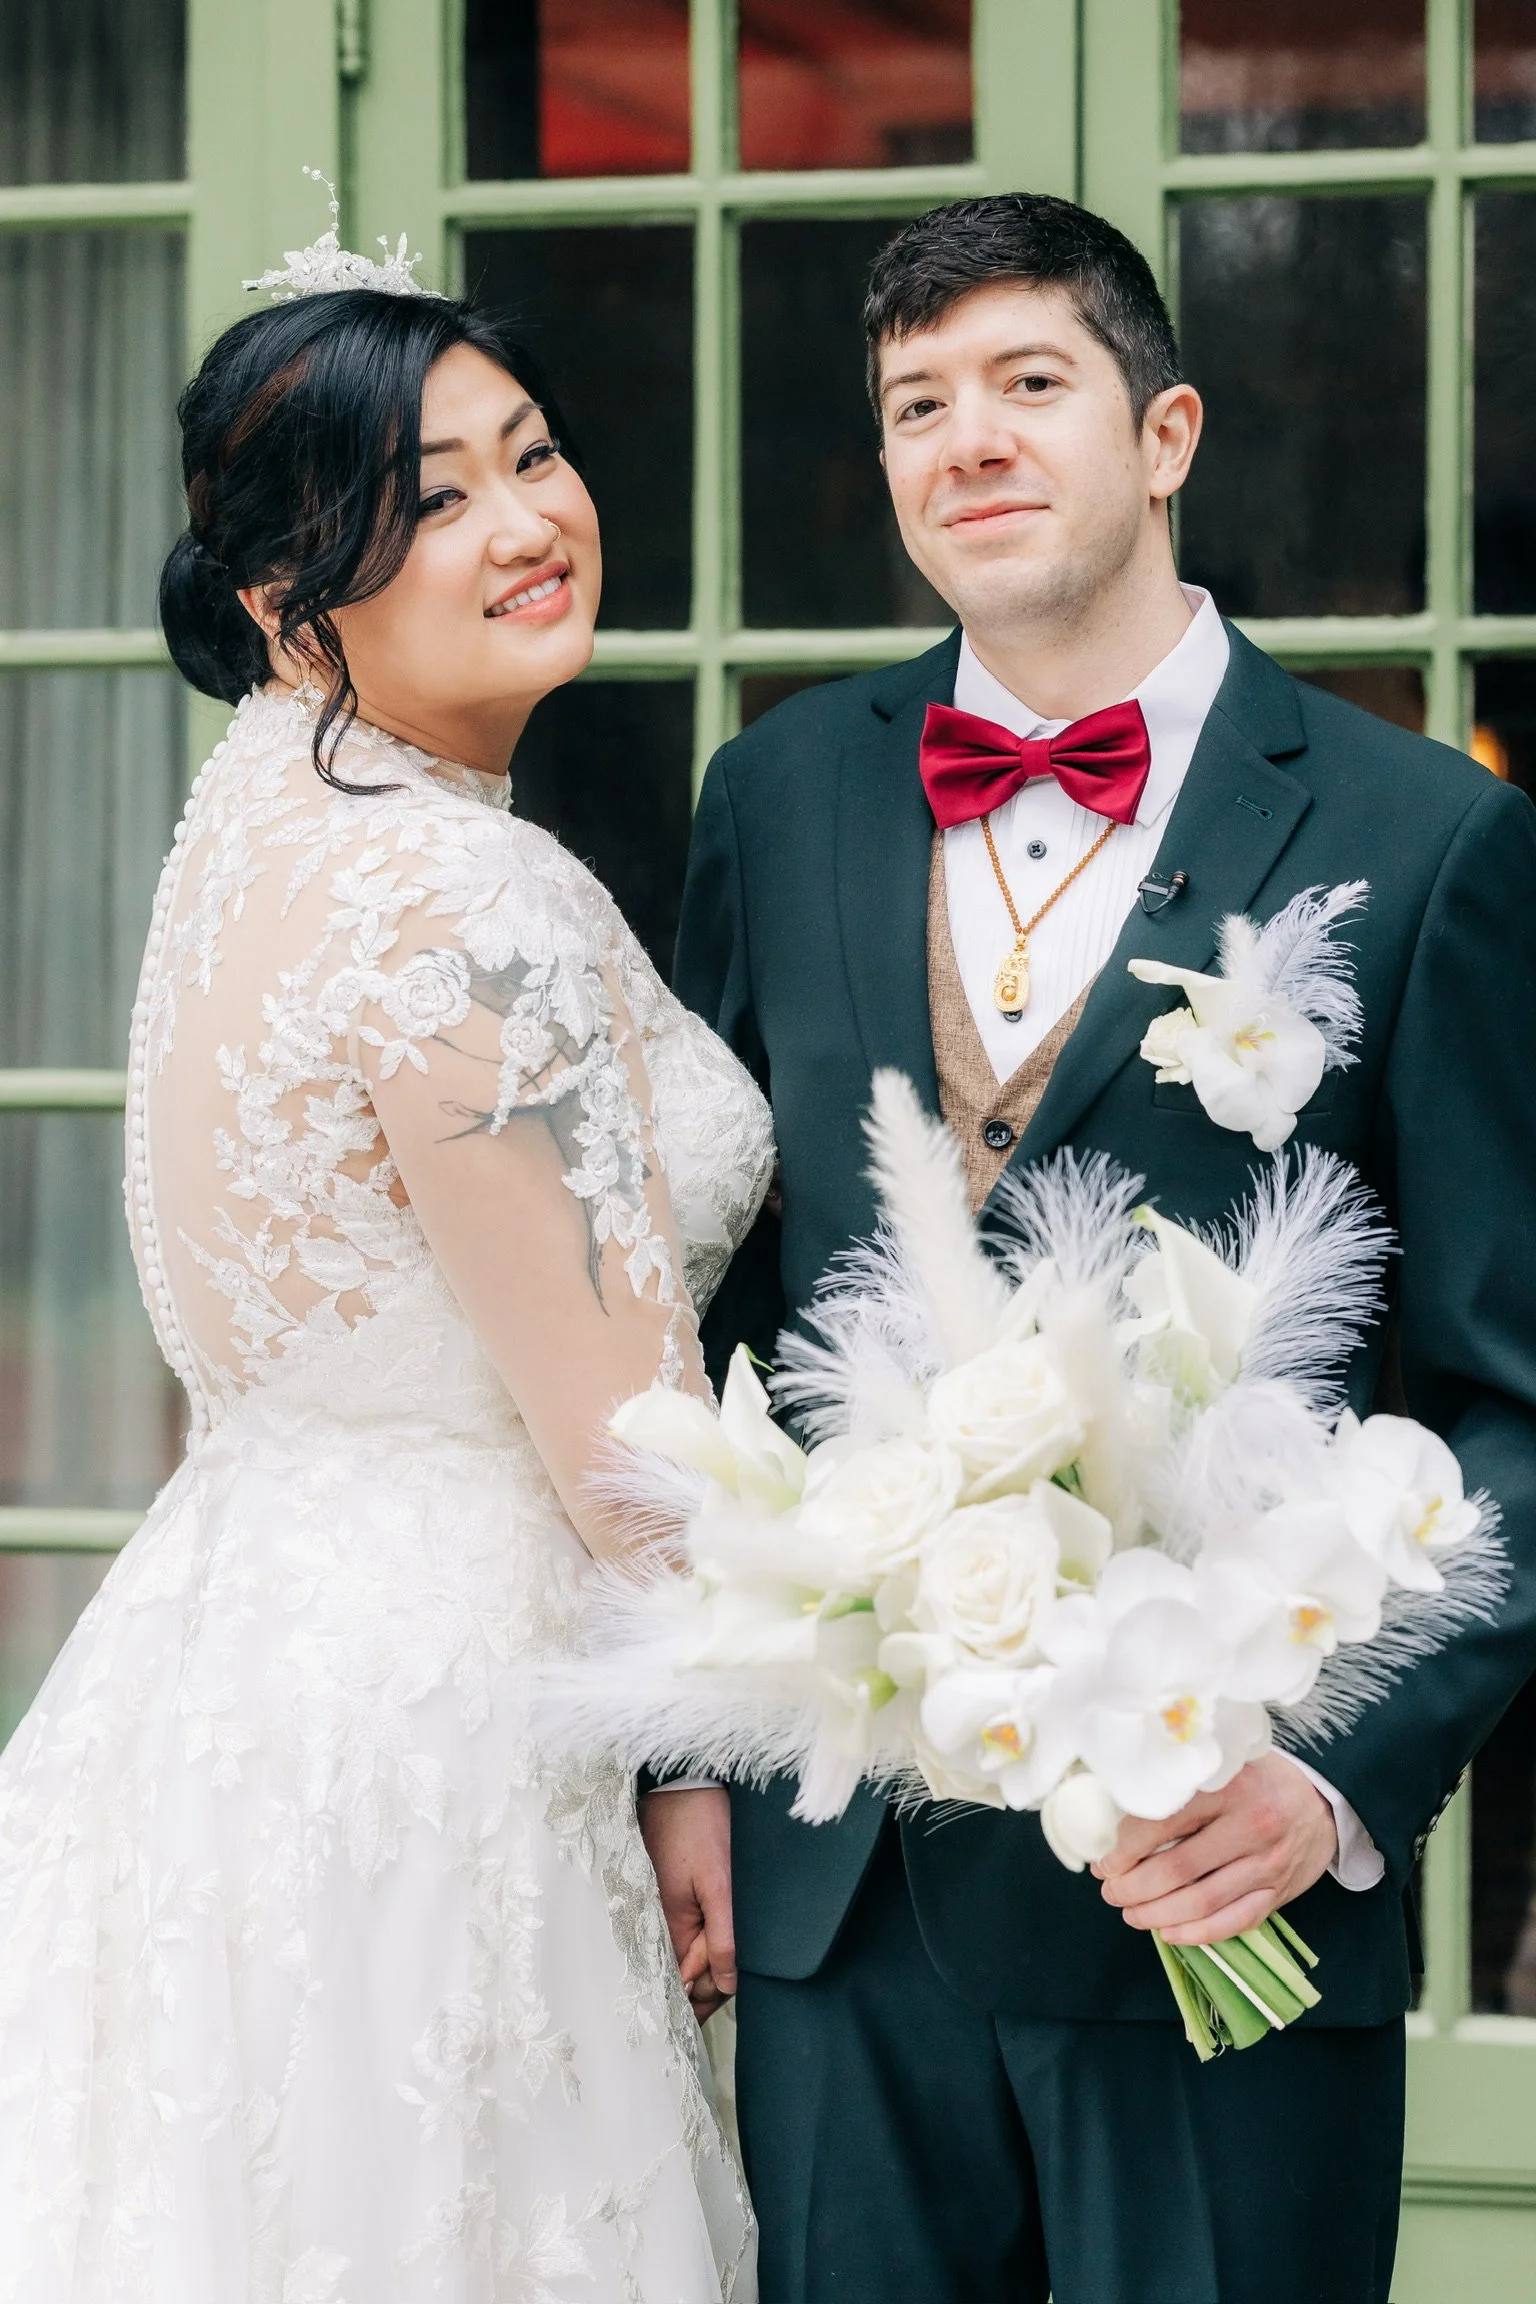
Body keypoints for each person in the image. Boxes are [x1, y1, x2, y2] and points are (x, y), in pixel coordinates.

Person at [649, 193, 1536, 2304]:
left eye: (1030, 384)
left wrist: (1334, 1790)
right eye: (915, 406)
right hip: (839, 1903)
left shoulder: (1428, 839)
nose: (969, 441)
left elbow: (1512, 1406)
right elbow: (707, 1328)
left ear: (1165, 435)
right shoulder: (771, 797)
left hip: (1213, 1877)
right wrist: (687, 1755)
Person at [0, 232, 768, 2299]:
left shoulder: (248, 823)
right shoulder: (457, 888)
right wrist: (718, 1745)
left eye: (531, 456)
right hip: (449, 1722)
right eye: (431, 501)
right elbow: (626, 1438)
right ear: (285, 599)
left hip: (224, 1670)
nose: (527, 524)